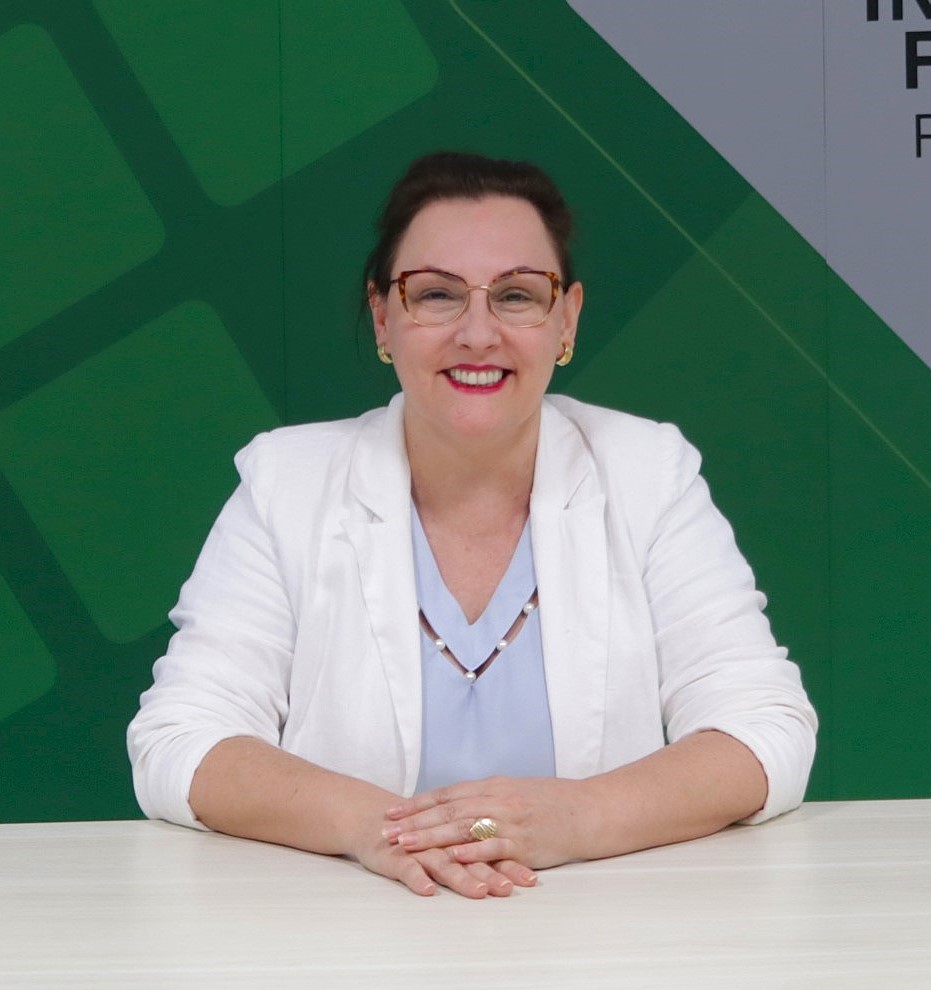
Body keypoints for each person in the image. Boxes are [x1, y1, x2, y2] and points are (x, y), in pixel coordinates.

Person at [128, 151, 817, 899]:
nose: (478, 333)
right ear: (383, 318)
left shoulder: (647, 474)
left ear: (566, 320)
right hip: (343, 934)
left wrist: (578, 818)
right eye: (436, 295)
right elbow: (181, 740)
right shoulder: (285, 483)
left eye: (517, 296)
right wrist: (378, 830)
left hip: (601, 933)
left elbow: (764, 728)